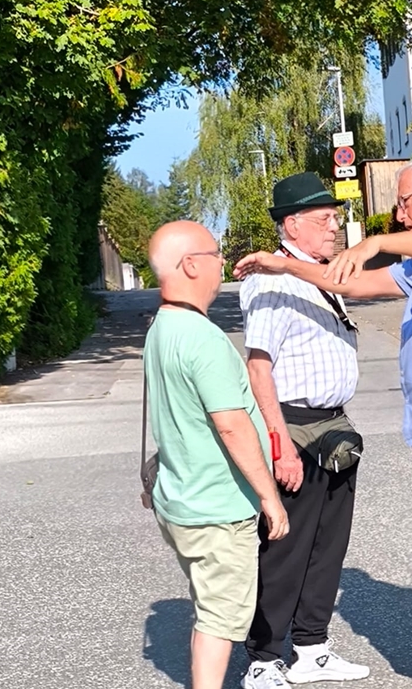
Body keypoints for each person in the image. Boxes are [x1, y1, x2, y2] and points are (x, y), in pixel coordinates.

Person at [234, 156, 412, 689]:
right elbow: (352, 285)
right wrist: (286, 267)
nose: (400, 212)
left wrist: (376, 242)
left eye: (405, 201)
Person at [239, 172, 371, 689]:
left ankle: (311, 649)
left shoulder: (318, 274)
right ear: (292, 224)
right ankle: (264, 659)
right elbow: (258, 368)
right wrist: (279, 446)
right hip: (293, 425)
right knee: (286, 547)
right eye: (323, 219)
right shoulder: (272, 281)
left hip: (333, 423)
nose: (334, 227)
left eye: (335, 217)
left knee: (328, 545)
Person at [144, 221, 289, 689]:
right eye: (215, 254)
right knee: (219, 619)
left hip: (181, 498)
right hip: (217, 508)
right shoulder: (203, 338)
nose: (222, 262)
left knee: (209, 605)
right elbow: (231, 425)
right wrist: (269, 497)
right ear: (190, 265)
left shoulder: (161, 326)